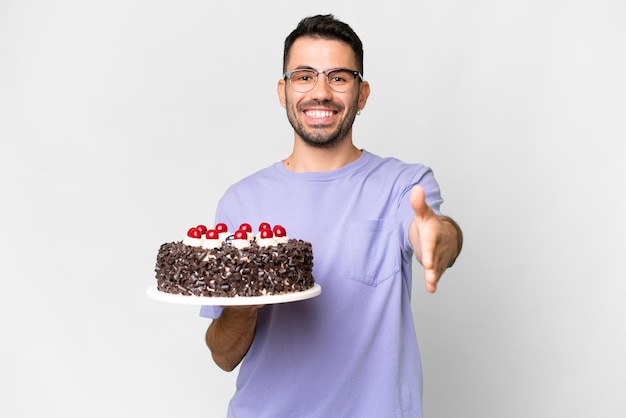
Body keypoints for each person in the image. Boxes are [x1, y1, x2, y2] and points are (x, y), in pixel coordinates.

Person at [200, 14, 463, 418]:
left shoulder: (403, 185)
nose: (320, 92)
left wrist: (439, 239)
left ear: (362, 94)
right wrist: (241, 308)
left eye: (339, 77)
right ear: (283, 90)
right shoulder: (242, 203)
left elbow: (430, 231)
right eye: (304, 76)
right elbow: (223, 355)